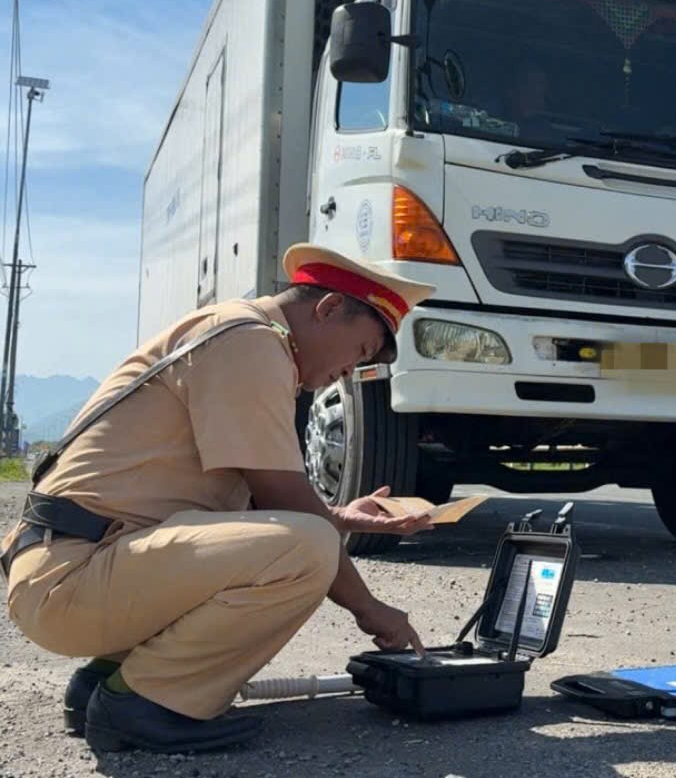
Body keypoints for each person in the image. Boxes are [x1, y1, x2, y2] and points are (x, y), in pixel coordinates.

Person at [0, 243, 437, 754]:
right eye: (358, 352)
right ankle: (146, 704)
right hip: (74, 580)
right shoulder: (251, 342)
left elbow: (261, 507)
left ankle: (107, 679)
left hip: (72, 568)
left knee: (289, 537)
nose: (347, 372)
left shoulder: (237, 332)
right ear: (329, 309)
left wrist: (343, 516)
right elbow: (292, 509)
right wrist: (371, 610)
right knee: (307, 547)